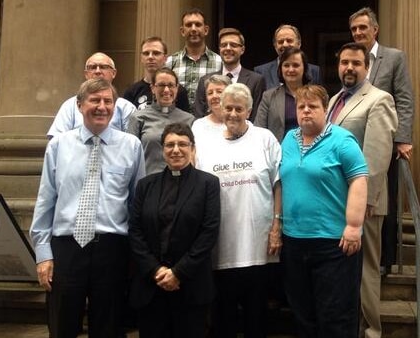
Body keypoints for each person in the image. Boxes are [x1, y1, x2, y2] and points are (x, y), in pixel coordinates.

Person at [30, 78, 146, 337]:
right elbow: (46, 200)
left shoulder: (131, 146)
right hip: (66, 249)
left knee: (109, 327)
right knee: (62, 326)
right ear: (80, 105)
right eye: (95, 100)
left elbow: (136, 204)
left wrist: (135, 255)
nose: (102, 107)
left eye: (108, 101)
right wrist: (43, 254)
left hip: (112, 249)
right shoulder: (59, 146)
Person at [280, 84, 368, 338]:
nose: (306, 111)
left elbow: (359, 180)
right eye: (301, 106)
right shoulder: (288, 139)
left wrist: (353, 226)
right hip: (295, 242)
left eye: (312, 106)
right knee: (302, 315)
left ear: (325, 109)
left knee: (335, 316)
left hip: (333, 244)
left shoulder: (342, 140)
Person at [195, 83, 282, 338]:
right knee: (224, 317)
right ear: (221, 109)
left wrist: (277, 226)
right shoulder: (207, 144)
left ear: (250, 110)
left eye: (239, 109)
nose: (233, 113)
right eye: (229, 108)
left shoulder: (264, 138)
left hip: (258, 243)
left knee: (257, 315)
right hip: (221, 245)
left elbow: (279, 184)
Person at [328, 42, 398, 338]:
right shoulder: (333, 100)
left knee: (366, 269)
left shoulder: (379, 99)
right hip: (335, 200)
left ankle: (371, 331)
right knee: (344, 270)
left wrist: (368, 199)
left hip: (365, 203)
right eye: (344, 62)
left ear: (366, 67)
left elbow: (377, 154)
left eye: (356, 63)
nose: (349, 68)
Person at [128, 123, 220, 338]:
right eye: (170, 145)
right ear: (162, 150)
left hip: (190, 286)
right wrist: (156, 270)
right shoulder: (145, 185)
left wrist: (178, 273)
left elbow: (209, 232)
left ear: (193, 148)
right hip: (152, 286)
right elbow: (135, 231)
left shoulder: (208, 184)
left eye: (182, 144)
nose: (176, 150)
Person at [349, 6, 415, 279]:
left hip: (384, 143)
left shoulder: (394, 57)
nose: (358, 33)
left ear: (375, 29)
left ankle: (386, 259)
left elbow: (404, 98)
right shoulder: (351, 59)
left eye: (363, 28)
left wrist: (402, 139)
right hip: (356, 142)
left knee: (383, 200)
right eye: (354, 29)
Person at [47, 52, 136, 138]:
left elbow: (131, 143)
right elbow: (57, 140)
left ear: (113, 73)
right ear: (86, 74)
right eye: (92, 67)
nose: (97, 71)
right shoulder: (70, 105)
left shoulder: (126, 107)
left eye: (103, 67)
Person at [127, 68, 195, 175]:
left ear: (177, 88)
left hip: (182, 184)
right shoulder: (138, 118)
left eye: (171, 85)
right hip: (149, 183)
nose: (166, 90)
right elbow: (129, 156)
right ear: (153, 88)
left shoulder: (189, 120)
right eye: (162, 85)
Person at [194, 28, 266, 120]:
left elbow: (256, 116)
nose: (228, 48)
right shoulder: (205, 80)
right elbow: (199, 114)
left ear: (242, 49)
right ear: (219, 49)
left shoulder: (256, 80)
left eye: (233, 45)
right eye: (224, 45)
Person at [165, 8, 222, 113]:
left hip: (208, 123)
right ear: (182, 31)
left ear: (206, 30)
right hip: (177, 123)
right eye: (189, 25)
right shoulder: (170, 62)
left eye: (198, 24)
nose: (193, 29)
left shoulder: (220, 62)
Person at [255, 47, 311, 142]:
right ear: (280, 69)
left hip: (310, 151)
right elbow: (258, 130)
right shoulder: (269, 97)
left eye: (296, 65)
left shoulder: (315, 95)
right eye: (286, 65)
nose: (291, 69)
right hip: (278, 153)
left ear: (304, 68)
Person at [123, 36, 190, 112]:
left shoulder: (178, 91)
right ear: (141, 58)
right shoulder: (132, 91)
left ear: (165, 58)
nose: (150, 57)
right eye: (146, 53)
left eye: (156, 53)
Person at [254, 24, 321, 90]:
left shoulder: (314, 71)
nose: (285, 44)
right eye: (280, 42)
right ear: (275, 46)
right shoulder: (261, 72)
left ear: (299, 44)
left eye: (289, 40)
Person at [192, 74, 231, 163]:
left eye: (219, 91)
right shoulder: (198, 125)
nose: (214, 96)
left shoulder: (239, 123)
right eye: (210, 93)